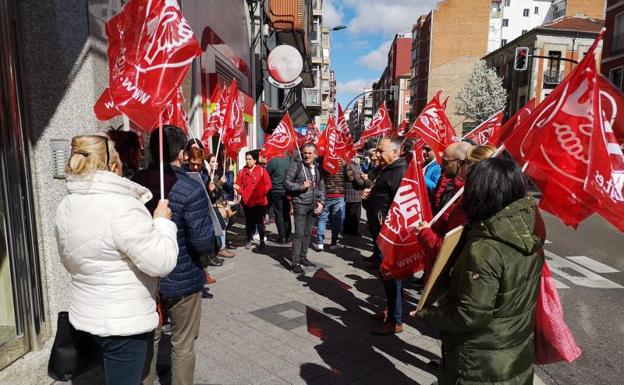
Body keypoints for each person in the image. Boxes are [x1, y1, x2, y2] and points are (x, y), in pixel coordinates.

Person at [56, 135, 178, 385]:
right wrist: (162, 223)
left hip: (88, 316)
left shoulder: (66, 205)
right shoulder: (123, 207)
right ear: (112, 166)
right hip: (123, 323)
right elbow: (162, 262)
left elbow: (69, 260)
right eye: (118, 157)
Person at [415, 157, 545, 385]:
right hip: (514, 354)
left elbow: (469, 316)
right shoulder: (527, 228)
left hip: (479, 363)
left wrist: (427, 314)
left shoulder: (484, 248)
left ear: (481, 191)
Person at [136, 126, 216, 385]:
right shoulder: (190, 189)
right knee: (183, 343)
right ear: (182, 153)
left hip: (144, 276)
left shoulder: (134, 184)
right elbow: (203, 242)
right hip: (182, 278)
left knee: (149, 341)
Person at [417, 145, 497, 272]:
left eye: (465, 162)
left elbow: (450, 250)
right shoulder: (463, 192)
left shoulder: (470, 201)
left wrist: (426, 233)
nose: (442, 167)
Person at [362, 138, 408, 335]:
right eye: (377, 152)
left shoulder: (399, 172)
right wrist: (369, 199)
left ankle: (395, 321)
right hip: (380, 236)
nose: (377, 155)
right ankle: (390, 311)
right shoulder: (387, 170)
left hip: (390, 239)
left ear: (395, 152)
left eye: (381, 151)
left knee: (392, 279)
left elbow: (401, 208)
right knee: (387, 279)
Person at [285, 144, 325, 274]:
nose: (307, 155)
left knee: (308, 234)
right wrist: (301, 186)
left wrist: (321, 203)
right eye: (304, 153)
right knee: (298, 234)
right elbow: (287, 183)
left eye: (309, 153)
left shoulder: (318, 168)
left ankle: (303, 257)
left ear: (315, 154)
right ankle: (295, 261)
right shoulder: (297, 165)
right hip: (301, 204)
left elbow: (321, 187)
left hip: (313, 205)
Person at [313, 158, 354, 251]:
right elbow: (351, 178)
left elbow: (318, 177)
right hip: (339, 194)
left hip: (325, 194)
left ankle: (320, 243)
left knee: (322, 218)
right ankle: (333, 243)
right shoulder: (344, 161)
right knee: (336, 220)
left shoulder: (323, 160)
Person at [235, 150, 272, 251]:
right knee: (249, 222)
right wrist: (242, 192)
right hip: (247, 202)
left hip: (260, 201)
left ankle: (261, 241)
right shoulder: (242, 171)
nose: (247, 161)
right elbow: (237, 185)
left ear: (255, 160)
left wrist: (262, 193)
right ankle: (248, 240)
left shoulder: (261, 170)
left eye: (249, 159)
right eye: (246, 159)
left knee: (260, 222)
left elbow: (268, 184)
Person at [431, 141, 473, 214]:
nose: (441, 166)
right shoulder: (452, 181)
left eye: (445, 162)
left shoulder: (469, 193)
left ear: (459, 162)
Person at [266, 151, 292, 244]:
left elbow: (266, 173)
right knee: (286, 213)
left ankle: (282, 238)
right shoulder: (289, 158)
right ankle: (287, 236)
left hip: (276, 190)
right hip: (287, 190)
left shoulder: (273, 160)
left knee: (279, 214)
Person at [343, 157, 366, 236]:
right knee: (355, 214)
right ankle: (353, 231)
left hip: (348, 193)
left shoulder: (346, 165)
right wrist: (365, 182)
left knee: (348, 213)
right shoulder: (354, 167)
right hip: (355, 193)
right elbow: (358, 181)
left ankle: (346, 229)